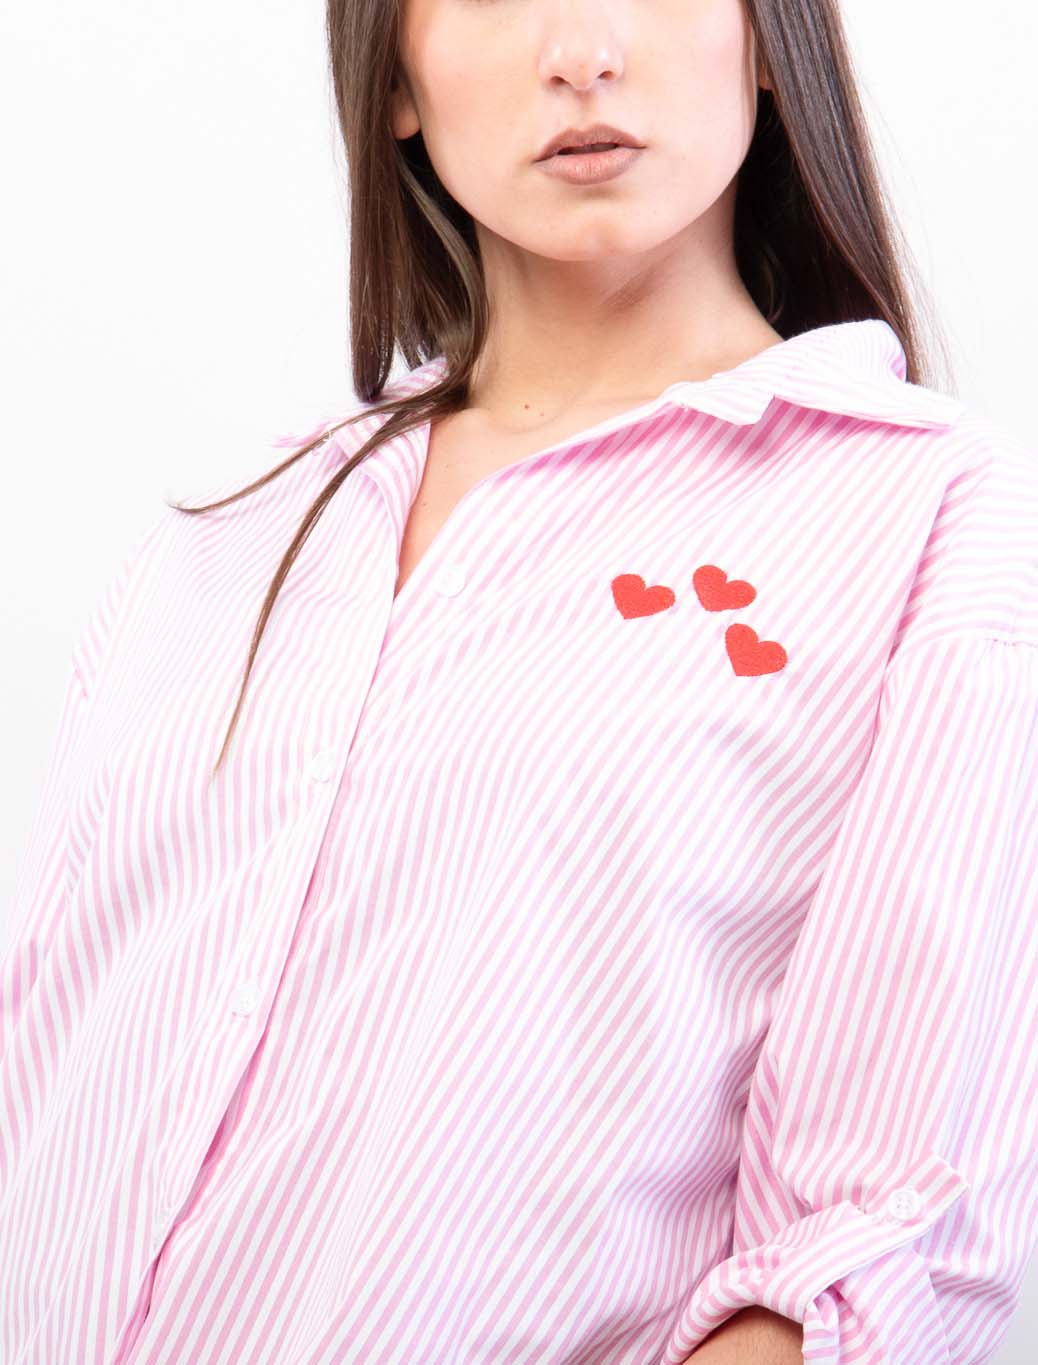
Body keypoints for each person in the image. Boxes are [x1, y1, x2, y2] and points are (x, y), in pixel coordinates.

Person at [2, 0, 1036, 1361]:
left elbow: (886, 1232)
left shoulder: (930, 515)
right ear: (394, 79)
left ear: (770, 42)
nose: (582, 53)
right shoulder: (228, 537)